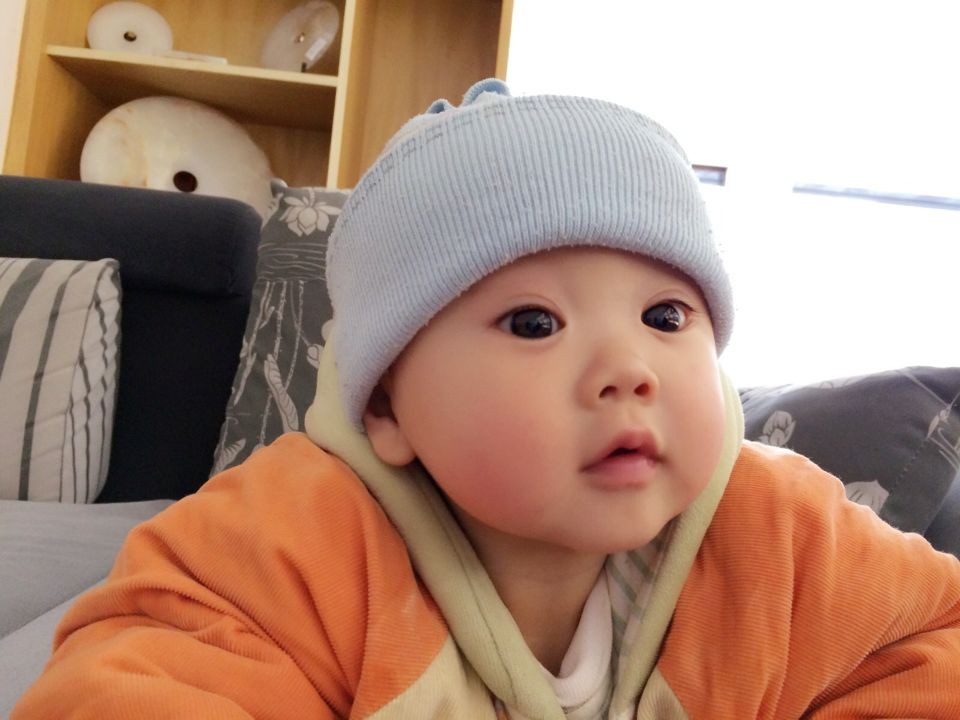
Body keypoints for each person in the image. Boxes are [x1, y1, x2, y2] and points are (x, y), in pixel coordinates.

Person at [13, 79, 960, 719]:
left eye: (666, 316)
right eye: (535, 323)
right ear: (387, 409)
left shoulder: (781, 537)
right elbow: (137, 679)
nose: (629, 368)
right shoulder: (289, 537)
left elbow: (932, 646)